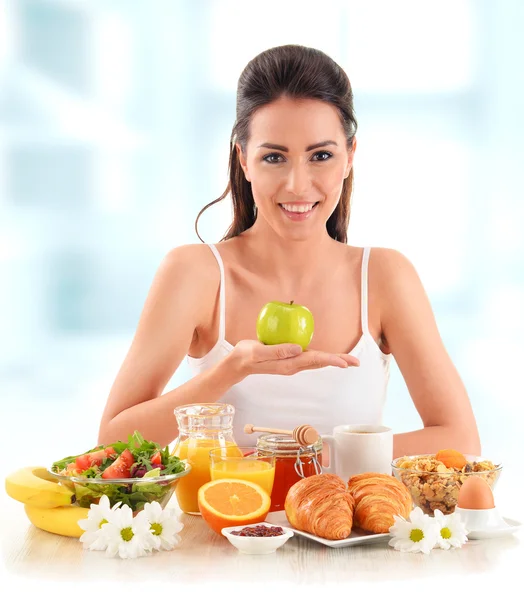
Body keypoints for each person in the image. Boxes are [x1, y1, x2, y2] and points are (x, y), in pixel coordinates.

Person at [97, 44, 481, 458]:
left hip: (349, 524)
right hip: (223, 521)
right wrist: (228, 372)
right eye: (274, 157)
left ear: (350, 157)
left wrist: (308, 457)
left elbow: (460, 441)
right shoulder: (196, 273)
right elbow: (111, 445)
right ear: (243, 160)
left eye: (321, 155)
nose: (298, 185)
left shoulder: (384, 275)